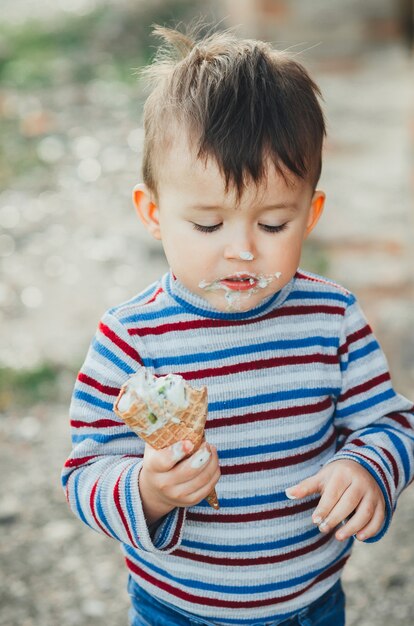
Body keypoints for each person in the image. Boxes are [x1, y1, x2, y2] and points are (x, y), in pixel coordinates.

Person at [62, 25, 414, 626]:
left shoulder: (332, 320)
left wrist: (369, 468)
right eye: (207, 226)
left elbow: (392, 422)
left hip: (309, 606)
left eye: (273, 224)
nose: (243, 252)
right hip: (177, 609)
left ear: (310, 214)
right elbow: (83, 472)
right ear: (153, 213)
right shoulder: (133, 337)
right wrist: (147, 491)